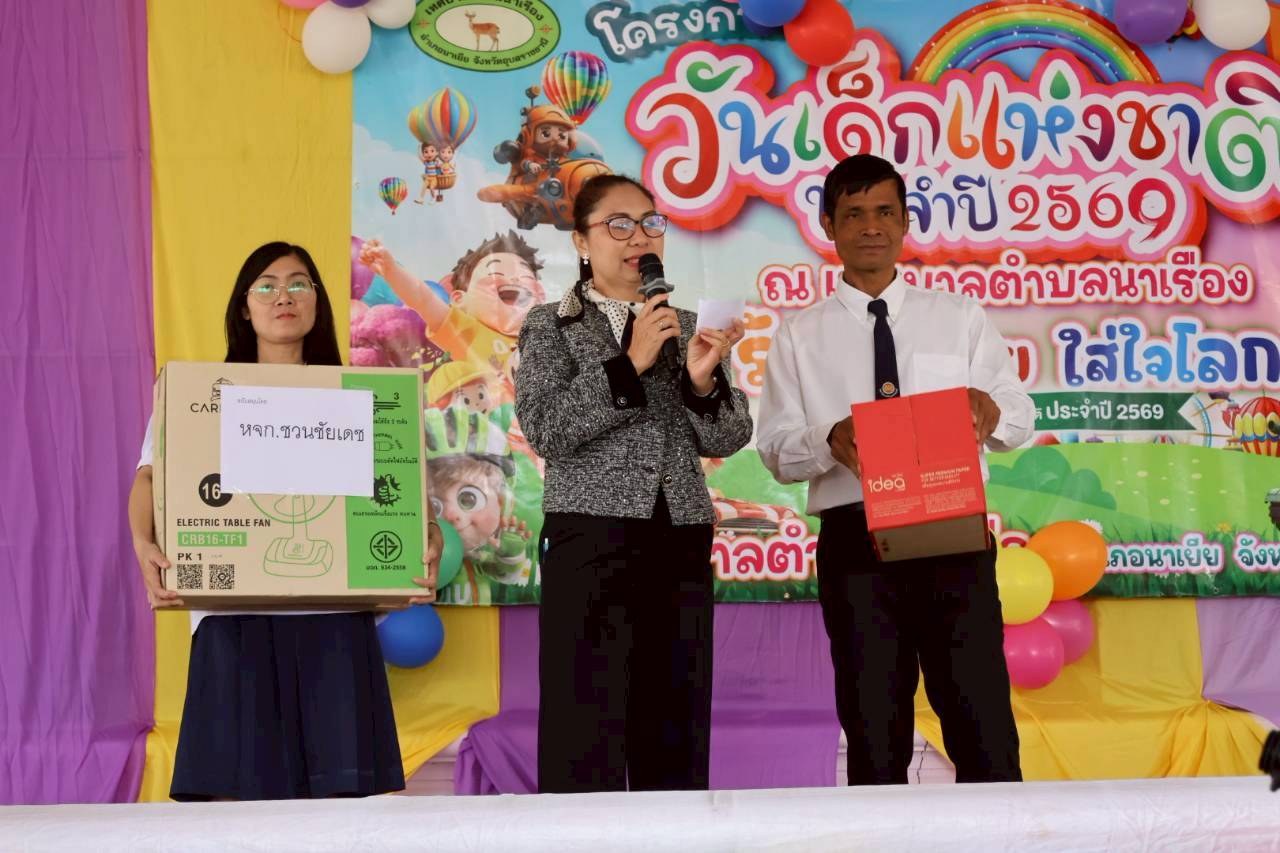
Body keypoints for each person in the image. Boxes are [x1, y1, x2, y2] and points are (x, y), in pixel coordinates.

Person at [127, 241, 441, 800]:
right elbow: (150, 478)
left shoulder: (363, 398)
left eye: (299, 284)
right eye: (266, 286)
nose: (283, 296)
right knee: (238, 813)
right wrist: (142, 541)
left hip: (336, 622)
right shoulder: (200, 396)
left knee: (343, 813)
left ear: (318, 301)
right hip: (233, 620)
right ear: (244, 307)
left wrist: (428, 534)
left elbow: (407, 489)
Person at [757, 154, 1035, 785]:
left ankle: (1002, 829)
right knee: (873, 728)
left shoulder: (958, 317)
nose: (871, 227)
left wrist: (991, 409)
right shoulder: (799, 334)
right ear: (828, 225)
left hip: (953, 534)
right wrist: (828, 439)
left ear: (906, 222)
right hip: (856, 544)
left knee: (982, 721)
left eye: (885, 212)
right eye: (853, 214)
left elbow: (1018, 414)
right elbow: (775, 449)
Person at [514, 174, 753, 793]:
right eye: (618, 225)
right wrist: (631, 363)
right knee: (583, 722)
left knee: (673, 721)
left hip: (679, 536)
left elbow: (729, 435)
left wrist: (701, 382)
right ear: (582, 241)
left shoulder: (689, 325)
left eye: (650, 223)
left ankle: (673, 831)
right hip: (589, 537)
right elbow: (547, 429)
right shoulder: (550, 325)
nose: (638, 237)